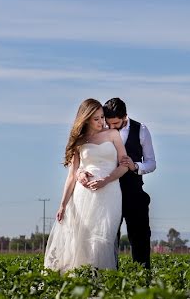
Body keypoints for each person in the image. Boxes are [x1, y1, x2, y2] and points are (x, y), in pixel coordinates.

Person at [44, 98, 132, 273]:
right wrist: (62, 204)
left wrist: (106, 180)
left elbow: (124, 165)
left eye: (102, 117)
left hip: (109, 192)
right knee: (81, 236)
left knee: (104, 235)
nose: (101, 122)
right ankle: (81, 276)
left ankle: (101, 277)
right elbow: (72, 175)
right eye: (96, 119)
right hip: (83, 195)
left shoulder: (113, 135)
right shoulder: (79, 141)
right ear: (86, 119)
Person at [77, 97, 156, 269]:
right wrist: (81, 172)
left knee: (140, 237)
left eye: (116, 123)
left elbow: (151, 163)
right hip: (107, 193)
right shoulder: (98, 131)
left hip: (133, 192)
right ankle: (109, 277)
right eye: (108, 122)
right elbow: (84, 160)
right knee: (106, 237)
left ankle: (142, 278)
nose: (111, 127)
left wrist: (135, 166)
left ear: (125, 117)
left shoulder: (141, 130)